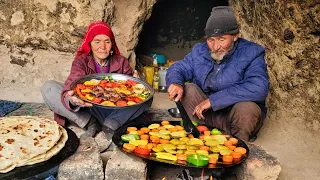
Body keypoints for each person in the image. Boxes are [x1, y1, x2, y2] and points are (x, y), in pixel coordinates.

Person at [166, 6, 269, 141]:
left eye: (221, 40)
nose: (215, 47)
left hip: (235, 118)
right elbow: (178, 68)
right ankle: (199, 134)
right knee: (188, 90)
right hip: (205, 115)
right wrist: (176, 82)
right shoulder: (199, 51)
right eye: (210, 40)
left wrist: (213, 101)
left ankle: (238, 143)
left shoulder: (252, 52)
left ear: (235, 36)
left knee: (247, 108)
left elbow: (258, 87)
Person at [41, 21, 152, 142]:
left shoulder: (121, 61)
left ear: (112, 44)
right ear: (90, 44)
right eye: (97, 41)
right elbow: (71, 84)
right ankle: (90, 123)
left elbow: (129, 92)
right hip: (88, 109)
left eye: (107, 42)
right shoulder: (81, 62)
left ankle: (110, 125)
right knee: (49, 88)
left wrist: (136, 83)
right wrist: (73, 100)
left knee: (147, 96)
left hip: (115, 111)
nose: (102, 47)